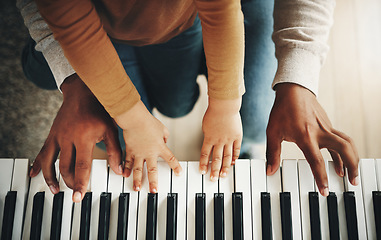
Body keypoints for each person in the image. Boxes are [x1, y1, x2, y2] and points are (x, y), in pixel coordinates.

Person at [17, 0, 359, 203]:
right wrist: (127, 115)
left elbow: (220, 9)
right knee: (125, 134)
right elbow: (68, 23)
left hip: (179, 23)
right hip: (108, 27)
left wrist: (227, 104)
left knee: (236, 114)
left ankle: (243, 148)